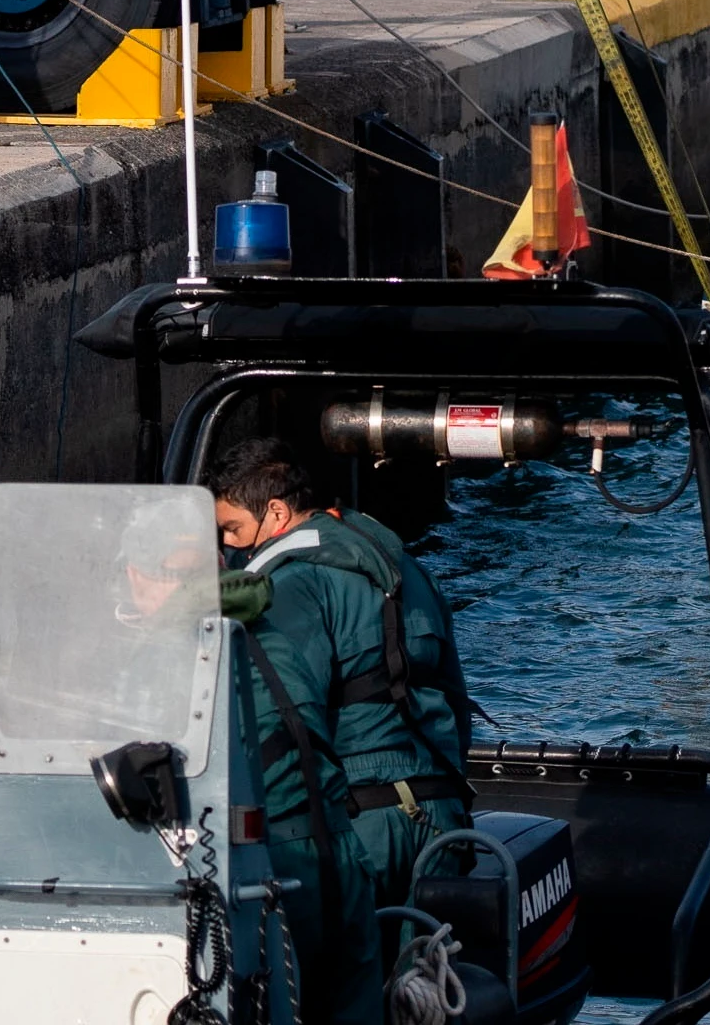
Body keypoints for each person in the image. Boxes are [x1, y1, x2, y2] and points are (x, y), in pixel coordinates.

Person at [209, 438, 472, 1025]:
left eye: (229, 527)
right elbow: (453, 699)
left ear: (275, 514)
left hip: (360, 827)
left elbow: (286, 728)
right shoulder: (401, 563)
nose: (225, 545)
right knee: (426, 1000)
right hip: (440, 818)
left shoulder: (290, 584)